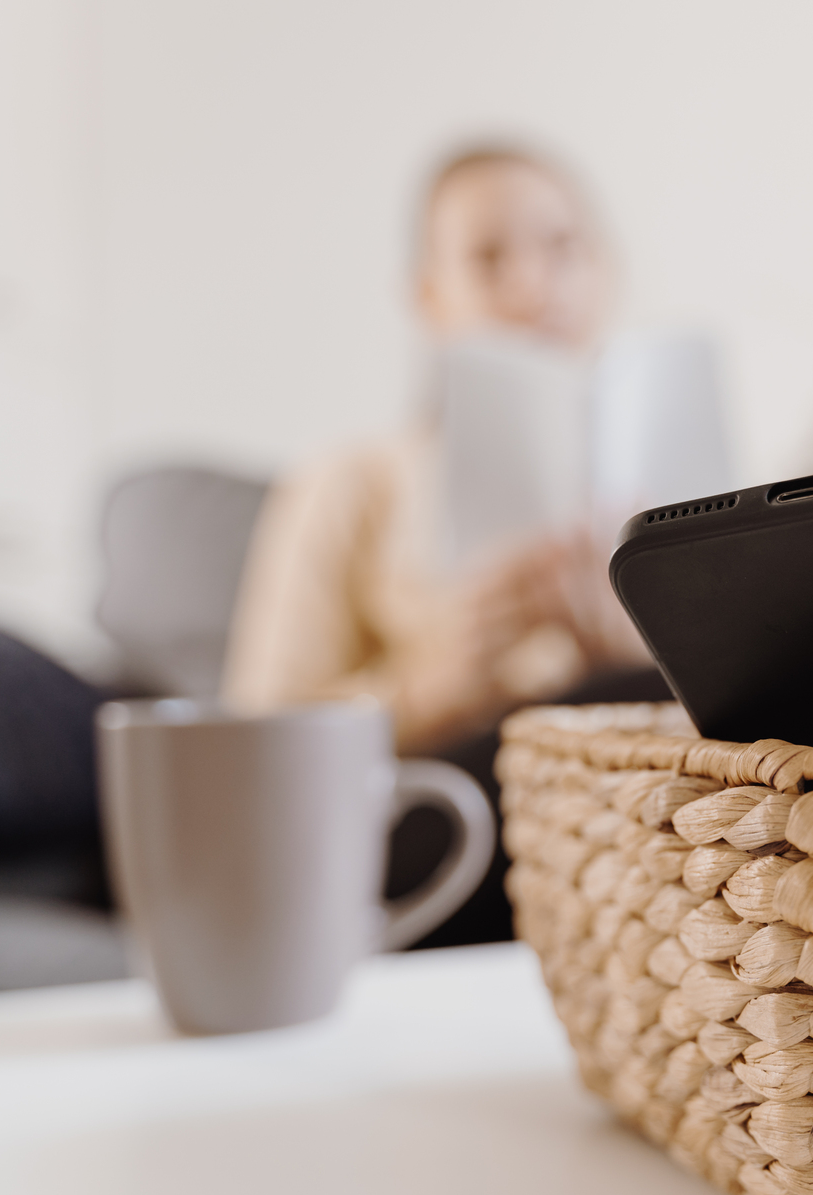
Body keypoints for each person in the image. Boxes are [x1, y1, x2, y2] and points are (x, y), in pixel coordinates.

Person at [224, 144, 665, 945]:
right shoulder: (351, 482)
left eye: (563, 249)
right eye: (490, 258)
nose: (535, 286)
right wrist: (426, 691)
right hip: (430, 817)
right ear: (429, 295)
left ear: (604, 274)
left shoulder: (659, 503)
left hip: (631, 824)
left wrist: (620, 654)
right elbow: (254, 743)